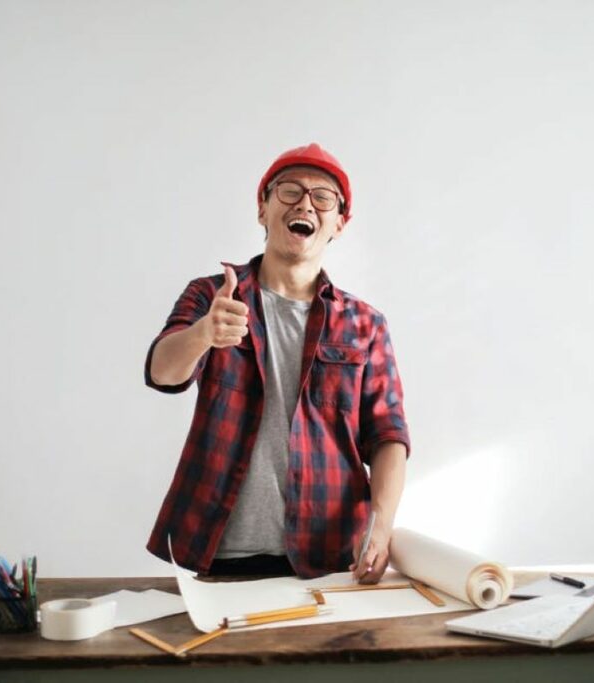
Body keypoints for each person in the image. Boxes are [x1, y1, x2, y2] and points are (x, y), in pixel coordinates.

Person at [144, 143, 410, 583]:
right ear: (262, 209)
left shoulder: (365, 324)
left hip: (332, 556)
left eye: (322, 197)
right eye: (288, 191)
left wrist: (382, 527)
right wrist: (204, 334)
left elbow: (388, 437)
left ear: (339, 224)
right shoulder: (215, 298)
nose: (305, 203)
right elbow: (162, 372)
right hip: (225, 553)